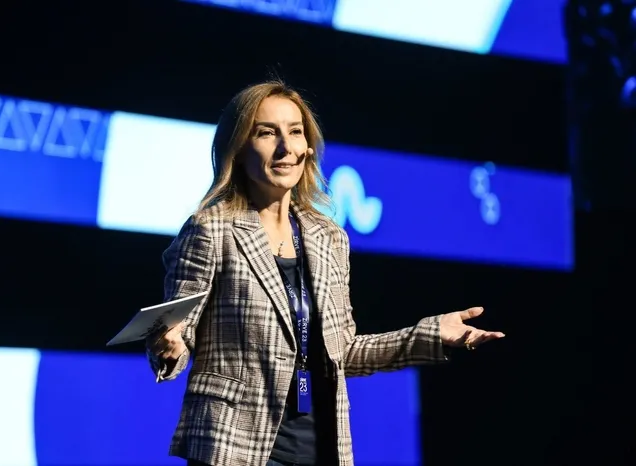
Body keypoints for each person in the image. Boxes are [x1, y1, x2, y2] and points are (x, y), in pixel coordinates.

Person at [145, 79, 505, 466]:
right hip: (233, 447)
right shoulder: (211, 229)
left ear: (308, 146)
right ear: (238, 147)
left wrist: (430, 334)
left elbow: (344, 352)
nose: (286, 148)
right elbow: (178, 328)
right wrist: (170, 346)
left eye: (295, 132)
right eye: (267, 133)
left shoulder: (329, 237)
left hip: (320, 447)